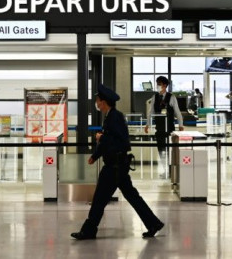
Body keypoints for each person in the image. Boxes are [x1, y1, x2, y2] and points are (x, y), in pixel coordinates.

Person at [71, 85, 164, 240]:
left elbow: (122, 142)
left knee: (100, 198)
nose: (96, 103)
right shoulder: (110, 116)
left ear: (103, 101)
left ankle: (89, 230)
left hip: (114, 167)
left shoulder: (115, 117)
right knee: (132, 197)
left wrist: (102, 138)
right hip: (117, 166)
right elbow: (108, 141)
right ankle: (153, 223)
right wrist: (95, 156)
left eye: (97, 100)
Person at [145, 76, 184, 157]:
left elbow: (177, 112)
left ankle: (170, 167)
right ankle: (164, 166)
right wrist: (147, 124)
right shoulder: (154, 97)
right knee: (161, 150)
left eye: (159, 84)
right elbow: (151, 112)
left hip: (169, 128)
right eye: (157, 84)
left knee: (170, 150)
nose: (158, 86)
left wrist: (181, 125)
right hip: (159, 128)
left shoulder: (171, 97)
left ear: (165, 85)